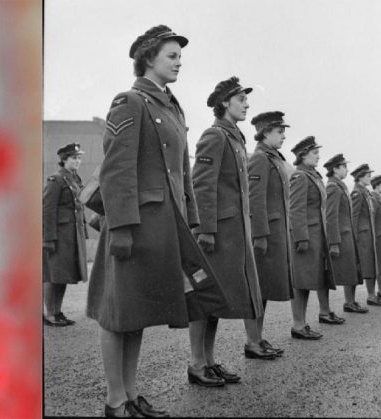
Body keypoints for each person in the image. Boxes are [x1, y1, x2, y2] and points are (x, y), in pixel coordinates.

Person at [86, 25, 226, 417]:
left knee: (136, 313)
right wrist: (123, 228)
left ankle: (131, 395)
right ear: (148, 58)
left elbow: (183, 170)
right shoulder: (130, 102)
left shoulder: (171, 106)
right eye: (172, 55)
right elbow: (116, 172)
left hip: (164, 225)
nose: (179, 62)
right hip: (132, 225)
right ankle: (116, 401)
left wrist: (192, 219)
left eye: (180, 56)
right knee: (118, 315)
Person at [191, 76, 274, 390]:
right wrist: (207, 229)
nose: (247, 105)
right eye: (241, 99)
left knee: (216, 298)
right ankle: (197, 363)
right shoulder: (214, 136)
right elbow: (202, 184)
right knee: (204, 298)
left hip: (232, 232)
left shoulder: (235, 138)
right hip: (217, 233)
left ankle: (208, 361)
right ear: (225, 102)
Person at [248, 111, 296, 356]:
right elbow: (255, 200)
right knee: (259, 288)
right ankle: (252, 341)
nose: (283, 136)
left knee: (264, 288)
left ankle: (258, 337)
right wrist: (260, 236)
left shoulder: (274, 158)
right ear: (265, 132)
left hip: (275, 232)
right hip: (265, 234)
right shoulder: (260, 159)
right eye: (279, 131)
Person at [289, 136, 341, 339]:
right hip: (306, 237)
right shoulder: (300, 176)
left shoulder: (313, 176)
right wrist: (301, 237)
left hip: (316, 235)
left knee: (309, 279)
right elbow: (296, 209)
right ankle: (298, 325)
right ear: (303, 155)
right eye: (314, 153)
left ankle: (301, 324)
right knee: (301, 281)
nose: (318, 157)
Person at [43, 143, 88, 327]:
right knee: (53, 275)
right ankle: (50, 314)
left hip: (70, 236)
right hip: (58, 236)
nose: (77, 161)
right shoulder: (57, 180)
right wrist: (48, 238)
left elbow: (79, 209)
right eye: (73, 158)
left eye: (78, 158)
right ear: (64, 160)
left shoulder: (74, 179)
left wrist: (82, 231)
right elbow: (47, 210)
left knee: (62, 275)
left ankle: (57, 312)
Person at [324, 154, 367, 313]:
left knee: (352, 270)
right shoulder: (333, 187)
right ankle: (348, 302)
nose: (346, 169)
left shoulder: (340, 185)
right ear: (335, 169)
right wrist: (334, 242)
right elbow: (331, 216)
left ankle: (351, 301)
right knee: (348, 270)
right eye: (343, 166)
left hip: (348, 235)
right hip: (342, 236)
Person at [350, 164, 381, 307]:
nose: (370, 179)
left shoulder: (365, 192)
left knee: (372, 265)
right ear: (360, 178)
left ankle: (372, 296)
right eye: (367, 176)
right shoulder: (357, 193)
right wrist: (354, 237)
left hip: (369, 235)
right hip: (363, 236)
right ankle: (368, 296)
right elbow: (354, 217)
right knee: (366, 266)